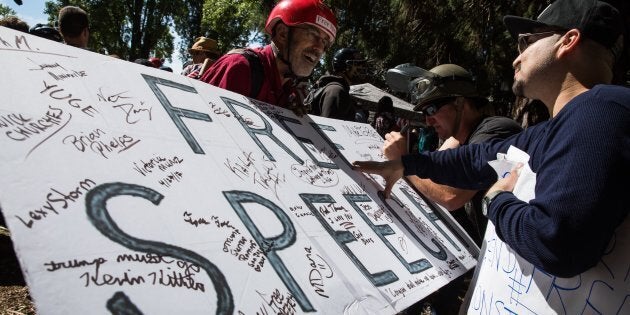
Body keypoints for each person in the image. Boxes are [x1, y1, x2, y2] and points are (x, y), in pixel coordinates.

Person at [353, 0, 628, 279]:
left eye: (526, 42)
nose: (516, 58)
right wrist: (406, 164)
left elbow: (557, 245)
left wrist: (495, 200)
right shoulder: (561, 125)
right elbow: (478, 159)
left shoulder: (603, 107)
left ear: (568, 41)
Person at [384, 64, 522, 245]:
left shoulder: (495, 131)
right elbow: (435, 178)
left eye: (432, 109)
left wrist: (402, 164)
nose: (428, 120)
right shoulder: (465, 137)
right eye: (424, 113)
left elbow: (451, 196)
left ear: (460, 103)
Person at [200, 0, 337, 114]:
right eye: (313, 34)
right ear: (282, 33)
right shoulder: (240, 68)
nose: (319, 48)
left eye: (325, 42)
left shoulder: (290, 93)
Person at [307, 47, 367, 120]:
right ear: (344, 66)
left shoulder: (336, 89)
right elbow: (330, 128)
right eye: (357, 63)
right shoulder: (336, 91)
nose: (361, 67)